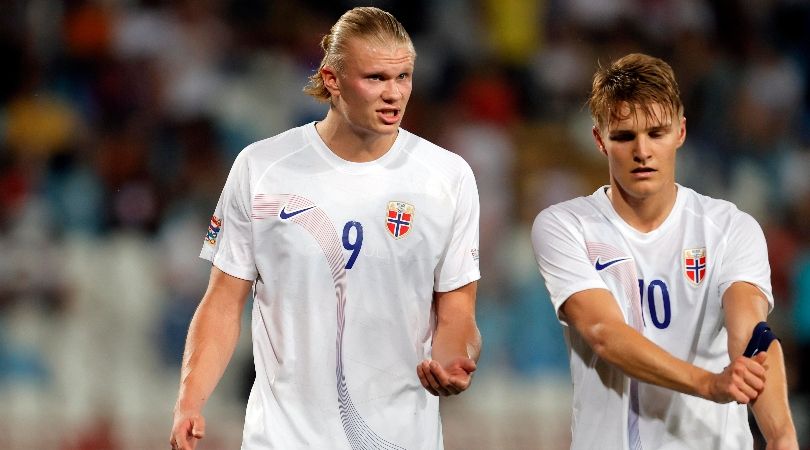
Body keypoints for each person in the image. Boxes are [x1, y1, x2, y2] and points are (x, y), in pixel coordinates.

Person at [169, 7, 481, 450]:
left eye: (403, 77)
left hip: (398, 438)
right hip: (282, 439)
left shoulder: (447, 177)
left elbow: (457, 312)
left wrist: (453, 362)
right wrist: (189, 402)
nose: (394, 94)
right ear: (332, 79)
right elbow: (222, 302)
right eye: (375, 78)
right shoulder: (262, 168)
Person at [531, 53, 798, 450]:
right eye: (625, 136)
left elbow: (752, 338)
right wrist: (707, 383)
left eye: (657, 132)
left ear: (681, 132)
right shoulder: (565, 226)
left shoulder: (729, 227)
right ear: (600, 140)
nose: (643, 151)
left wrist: (781, 438)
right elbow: (604, 334)